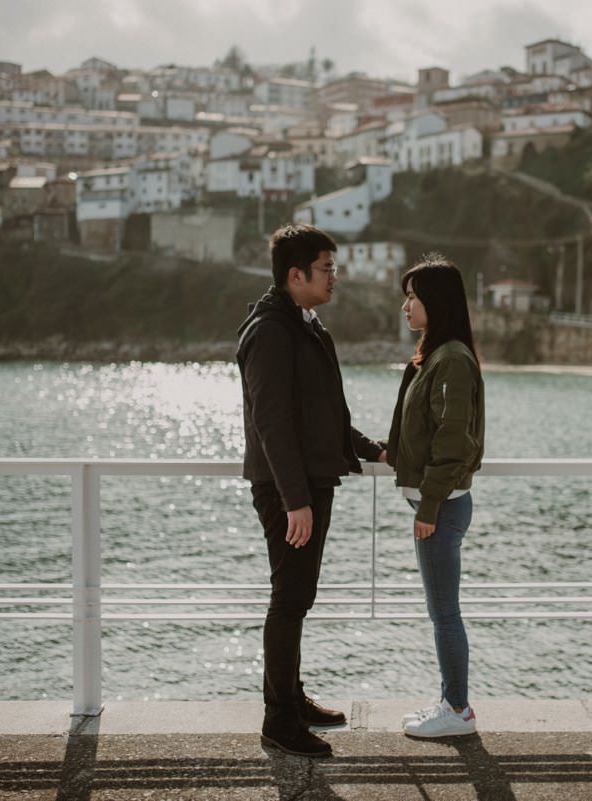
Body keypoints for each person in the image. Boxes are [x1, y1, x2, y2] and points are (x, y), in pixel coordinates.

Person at [236, 223, 385, 758]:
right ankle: (279, 721)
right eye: (327, 269)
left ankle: (291, 700)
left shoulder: (303, 323)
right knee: (289, 599)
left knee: (298, 598)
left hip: (307, 482)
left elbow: (325, 413)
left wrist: (373, 449)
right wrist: (294, 498)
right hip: (287, 489)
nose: (334, 278)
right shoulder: (271, 331)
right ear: (294, 275)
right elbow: (271, 420)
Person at [383, 254, 485, 738]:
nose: (406, 306)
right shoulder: (438, 355)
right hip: (437, 504)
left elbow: (453, 441)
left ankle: (458, 711)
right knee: (441, 610)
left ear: (435, 302)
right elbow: (424, 431)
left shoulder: (452, 360)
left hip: (440, 507)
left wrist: (428, 506)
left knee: (444, 613)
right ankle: (449, 699)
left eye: (413, 297)